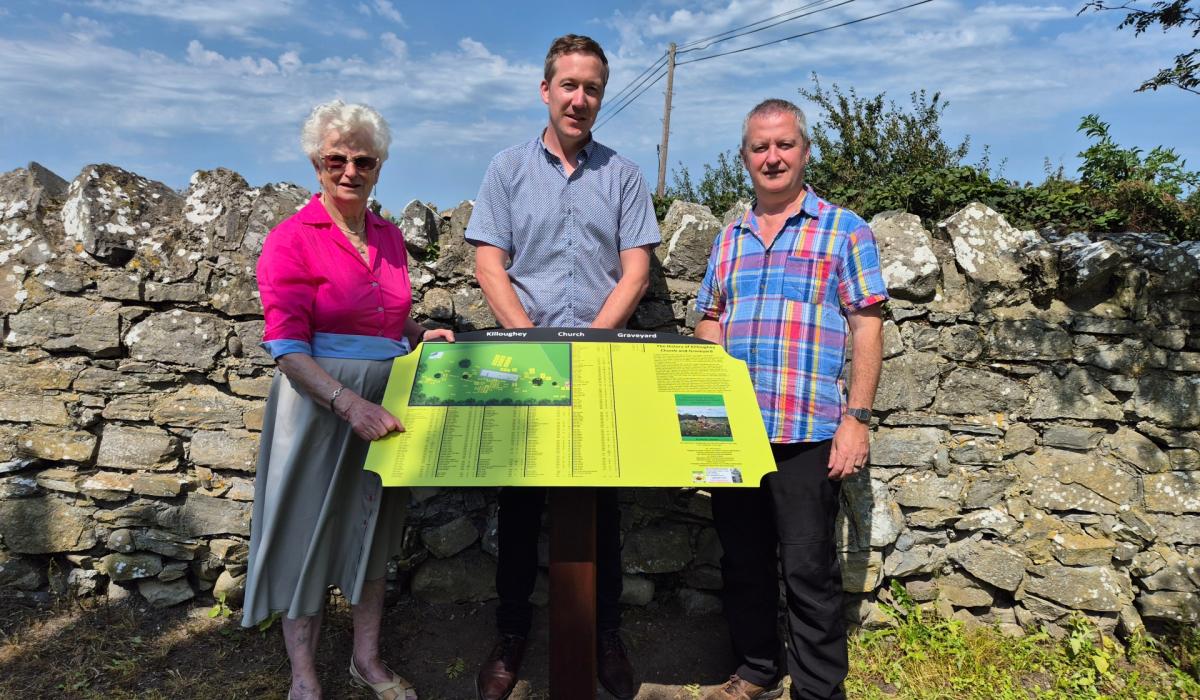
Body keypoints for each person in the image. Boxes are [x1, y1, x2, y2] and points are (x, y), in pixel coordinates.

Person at [465, 34, 661, 700]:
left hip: (601, 365)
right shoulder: (506, 170)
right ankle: (511, 633)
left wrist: (592, 345)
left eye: (592, 88)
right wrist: (533, 347)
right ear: (545, 90)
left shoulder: (624, 176)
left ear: (601, 97)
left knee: (603, 507)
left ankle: (605, 633)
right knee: (519, 505)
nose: (580, 99)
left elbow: (636, 271)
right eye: (569, 85)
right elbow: (489, 264)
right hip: (525, 363)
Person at [243, 100, 455, 700]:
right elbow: (287, 347)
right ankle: (304, 677)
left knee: (373, 535)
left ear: (379, 166)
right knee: (303, 538)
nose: (350, 171)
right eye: (336, 158)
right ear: (316, 163)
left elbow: (386, 317)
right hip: (318, 409)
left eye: (363, 160)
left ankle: (367, 660)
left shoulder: (388, 237)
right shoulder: (291, 238)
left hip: (385, 409)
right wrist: (347, 404)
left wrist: (419, 334)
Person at [694, 99, 888, 700]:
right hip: (734, 433)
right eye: (760, 147)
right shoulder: (729, 239)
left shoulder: (844, 229)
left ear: (805, 152)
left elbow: (867, 327)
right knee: (742, 563)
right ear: (744, 157)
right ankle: (757, 668)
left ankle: (819, 690)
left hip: (807, 432)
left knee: (809, 571)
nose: (772, 157)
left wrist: (857, 420)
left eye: (784, 145)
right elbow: (709, 316)